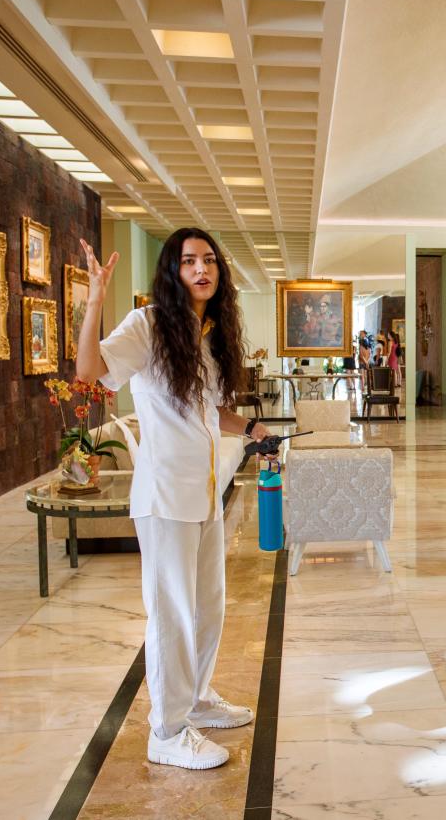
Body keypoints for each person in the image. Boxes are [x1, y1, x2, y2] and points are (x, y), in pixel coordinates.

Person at [75, 228, 272, 769]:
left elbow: (209, 413)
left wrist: (252, 427)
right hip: (164, 498)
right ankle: (165, 732)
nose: (201, 269)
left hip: (206, 494)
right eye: (189, 261)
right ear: (173, 270)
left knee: (208, 608)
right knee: (171, 615)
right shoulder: (147, 326)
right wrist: (94, 298)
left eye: (209, 260)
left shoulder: (208, 335)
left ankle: (197, 700)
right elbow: (89, 372)